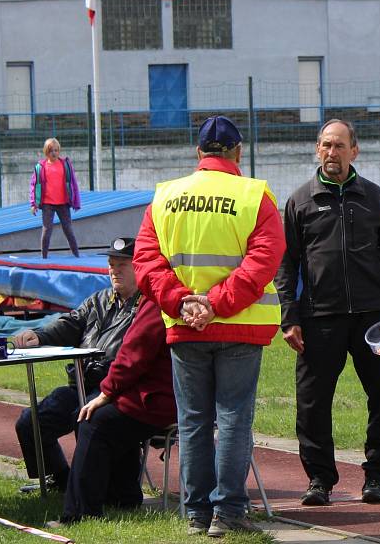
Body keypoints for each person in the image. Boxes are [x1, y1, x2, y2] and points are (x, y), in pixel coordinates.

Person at [133, 115, 284, 537]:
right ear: (238, 152)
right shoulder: (255, 196)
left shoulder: (165, 197)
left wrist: (183, 303)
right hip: (239, 326)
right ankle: (228, 512)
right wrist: (216, 304)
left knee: (193, 421)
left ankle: (196, 514)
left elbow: (146, 262)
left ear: (198, 153)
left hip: (185, 328)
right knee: (233, 418)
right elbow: (264, 260)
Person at [275, 119, 380, 507]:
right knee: (313, 402)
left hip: (373, 318)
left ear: (355, 150)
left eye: (339, 146)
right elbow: (286, 267)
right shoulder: (300, 201)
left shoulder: (375, 197)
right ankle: (319, 479)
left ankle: (376, 477)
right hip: (319, 318)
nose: (331, 153)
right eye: (325, 145)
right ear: (317, 150)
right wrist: (290, 317)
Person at [13, 237, 142, 493]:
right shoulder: (98, 300)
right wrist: (39, 336)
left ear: (140, 266)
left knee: (86, 419)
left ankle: (97, 489)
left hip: (115, 389)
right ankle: (60, 478)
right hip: (80, 385)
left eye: (122, 265)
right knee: (30, 422)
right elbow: (70, 323)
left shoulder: (146, 306)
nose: (114, 270)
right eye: (111, 264)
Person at [46, 298, 175, 525]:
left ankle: (81, 513)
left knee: (93, 420)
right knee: (107, 416)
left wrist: (106, 393)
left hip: (159, 399)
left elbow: (134, 355)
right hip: (181, 397)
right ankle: (122, 496)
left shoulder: (156, 301)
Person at [29, 137, 81, 258]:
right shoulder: (40, 167)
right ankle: (44, 256)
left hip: (63, 203)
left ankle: (76, 255)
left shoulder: (65, 165)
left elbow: (73, 183)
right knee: (47, 230)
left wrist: (76, 201)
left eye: (56, 150)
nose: (54, 153)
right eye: (51, 150)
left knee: (68, 229)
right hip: (48, 204)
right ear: (46, 152)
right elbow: (34, 185)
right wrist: (33, 204)